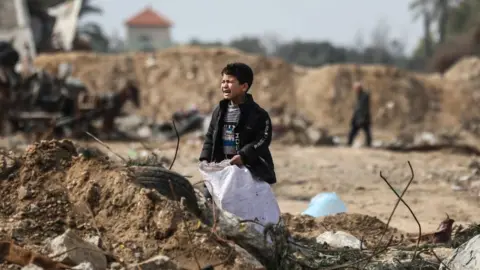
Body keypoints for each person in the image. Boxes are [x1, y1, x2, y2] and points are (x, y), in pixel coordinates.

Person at [199, 62, 276, 199]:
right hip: (221, 168)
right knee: (209, 201)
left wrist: (244, 156)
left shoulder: (259, 115)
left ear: (244, 87)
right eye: (223, 81)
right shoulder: (219, 111)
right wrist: (205, 159)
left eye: (229, 82)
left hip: (249, 170)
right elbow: (210, 137)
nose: (224, 85)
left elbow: (263, 140)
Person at [347, 81, 372, 147]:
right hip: (358, 118)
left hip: (363, 118)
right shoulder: (359, 96)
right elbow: (357, 108)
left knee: (367, 132)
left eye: (356, 88)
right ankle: (349, 143)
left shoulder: (364, 96)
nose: (355, 90)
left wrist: (362, 118)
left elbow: (363, 108)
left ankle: (369, 144)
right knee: (353, 131)